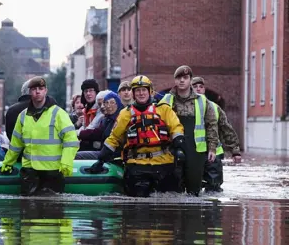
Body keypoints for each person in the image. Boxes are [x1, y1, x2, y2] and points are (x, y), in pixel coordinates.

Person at [90, 76, 185, 197]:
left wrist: (179, 142)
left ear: (150, 91)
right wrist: (101, 159)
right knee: (137, 207)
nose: (141, 93)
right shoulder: (125, 113)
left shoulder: (164, 109)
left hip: (164, 162)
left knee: (169, 204)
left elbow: (176, 127)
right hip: (137, 164)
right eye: (137, 90)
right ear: (133, 93)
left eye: (144, 90)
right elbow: (114, 138)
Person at [1, 76, 79, 196]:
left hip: (52, 171)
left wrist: (67, 161)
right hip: (30, 171)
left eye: (40, 88)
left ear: (45, 91)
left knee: (53, 211)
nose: (37, 91)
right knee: (28, 210)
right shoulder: (22, 116)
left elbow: (71, 140)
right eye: (34, 89)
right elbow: (16, 144)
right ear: (29, 92)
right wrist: (8, 162)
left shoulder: (58, 114)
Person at [159, 65, 219, 196]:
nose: (182, 81)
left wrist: (212, 148)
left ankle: (193, 215)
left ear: (190, 80)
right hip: (172, 148)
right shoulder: (166, 100)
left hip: (196, 150)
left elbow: (212, 125)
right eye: (179, 78)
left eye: (185, 78)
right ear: (174, 80)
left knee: (194, 190)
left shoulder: (202, 101)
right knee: (172, 190)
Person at [192, 76, 242, 192]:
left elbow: (227, 129)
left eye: (201, 87)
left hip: (214, 154)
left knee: (214, 188)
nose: (198, 89)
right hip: (194, 154)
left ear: (204, 89)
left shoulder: (215, 107)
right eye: (194, 87)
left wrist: (235, 151)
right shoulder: (185, 107)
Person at [76, 92, 124, 160]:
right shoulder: (106, 119)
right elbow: (97, 132)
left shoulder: (121, 118)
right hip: (105, 152)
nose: (108, 106)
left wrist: (78, 133)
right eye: (106, 103)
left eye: (112, 102)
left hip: (114, 155)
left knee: (77, 156)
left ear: (118, 103)